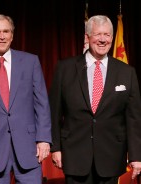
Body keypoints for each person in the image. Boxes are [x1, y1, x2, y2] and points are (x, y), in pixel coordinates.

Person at [50, 15, 141, 184]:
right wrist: (55, 148)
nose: (102, 40)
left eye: (107, 35)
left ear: (112, 38)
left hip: (111, 156)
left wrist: (136, 156)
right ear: (87, 37)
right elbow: (54, 112)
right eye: (98, 34)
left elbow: (134, 119)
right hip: (74, 155)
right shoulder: (65, 69)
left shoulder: (127, 72)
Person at [0, 13, 52, 184]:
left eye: (6, 31)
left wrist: (43, 139)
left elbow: (42, 103)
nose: (2, 36)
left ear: (12, 35)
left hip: (28, 148)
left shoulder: (30, 62)